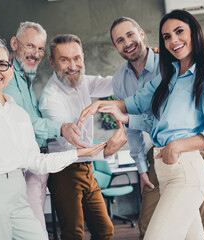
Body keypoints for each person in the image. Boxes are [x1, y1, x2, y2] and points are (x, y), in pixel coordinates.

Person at [0, 30, 106, 240]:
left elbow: (34, 161)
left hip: (19, 193)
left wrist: (78, 154)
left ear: (9, 70)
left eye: (2, 64)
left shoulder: (18, 112)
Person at [78, 10, 204, 239]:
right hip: (164, 166)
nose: (174, 40)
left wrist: (177, 146)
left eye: (179, 32)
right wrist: (112, 109)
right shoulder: (168, 75)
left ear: (195, 32)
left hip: (185, 166)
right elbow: (141, 106)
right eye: (167, 37)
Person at [110, 17, 204, 239]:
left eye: (130, 35)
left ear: (141, 34)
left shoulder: (168, 63)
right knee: (147, 222)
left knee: (197, 220)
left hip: (190, 147)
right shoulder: (119, 80)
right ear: (116, 47)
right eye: (119, 40)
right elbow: (133, 125)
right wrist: (141, 167)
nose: (127, 42)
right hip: (155, 152)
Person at [39, 34, 127, 240]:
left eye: (77, 58)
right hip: (65, 172)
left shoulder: (83, 82)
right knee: (74, 234)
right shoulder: (50, 99)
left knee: (105, 230)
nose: (73, 65)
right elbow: (72, 148)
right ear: (52, 62)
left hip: (87, 169)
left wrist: (147, 58)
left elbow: (117, 83)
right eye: (64, 59)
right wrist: (105, 151)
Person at [4, 22, 88, 229]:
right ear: (14, 44)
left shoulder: (26, 78)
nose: (35, 53)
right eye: (30, 46)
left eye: (40, 48)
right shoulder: (7, 78)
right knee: (34, 229)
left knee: (36, 227)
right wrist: (61, 127)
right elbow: (24, 123)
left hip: (38, 165)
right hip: (25, 166)